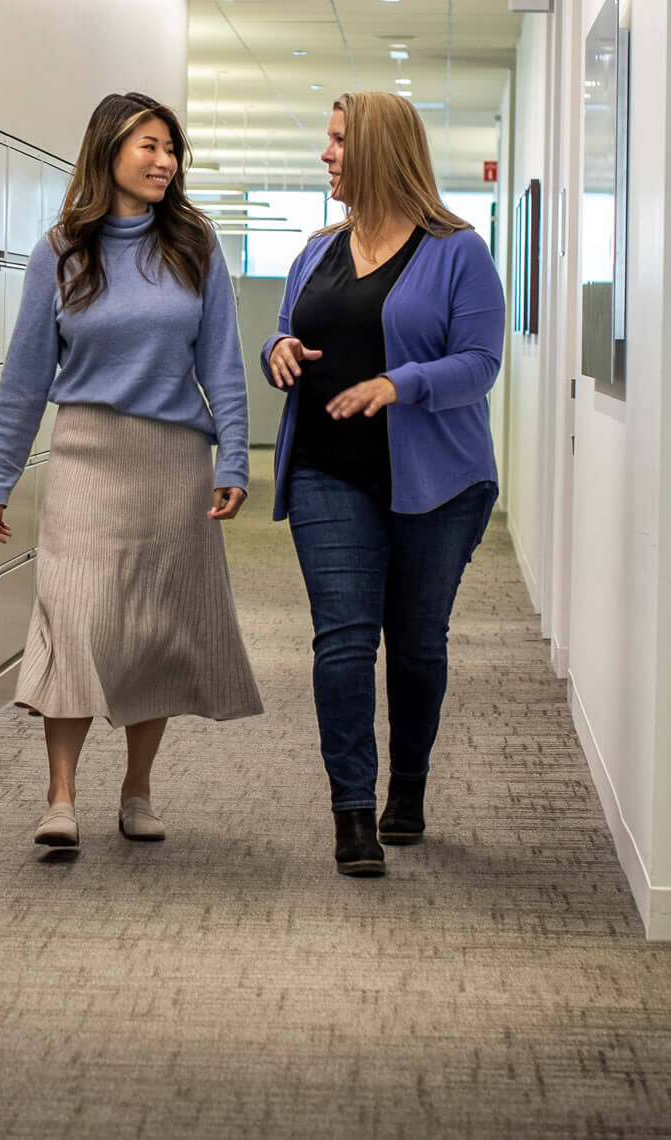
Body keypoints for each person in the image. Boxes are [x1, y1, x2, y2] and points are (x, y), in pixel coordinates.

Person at [0, 92, 262, 852]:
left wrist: (235, 458)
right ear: (108, 151)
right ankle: (60, 795)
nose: (165, 161)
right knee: (73, 615)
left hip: (173, 461)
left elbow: (224, 367)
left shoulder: (195, 247)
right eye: (150, 146)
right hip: (86, 454)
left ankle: (138, 789)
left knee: (153, 627)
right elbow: (25, 375)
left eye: (172, 149)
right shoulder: (61, 251)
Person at [262, 92, 504, 877]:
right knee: (343, 638)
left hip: (436, 482)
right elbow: (285, 330)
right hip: (327, 469)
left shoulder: (457, 251)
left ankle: (410, 785)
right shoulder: (316, 250)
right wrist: (278, 351)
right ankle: (353, 813)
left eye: (338, 140)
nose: (326, 154)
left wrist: (401, 384)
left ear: (377, 150)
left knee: (417, 642)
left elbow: (481, 363)